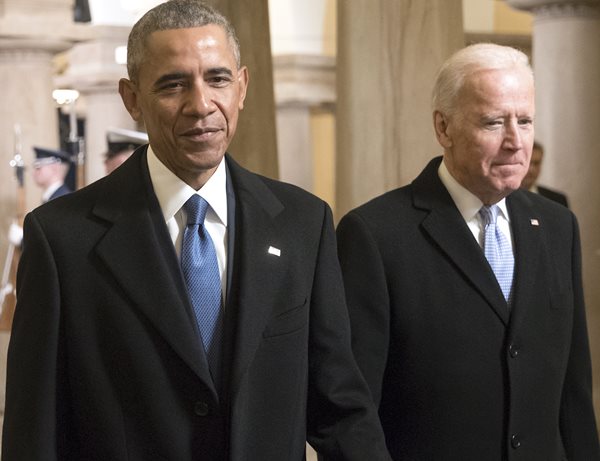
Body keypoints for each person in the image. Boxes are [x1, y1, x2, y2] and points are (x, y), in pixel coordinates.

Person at [2, 1, 390, 460]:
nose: (201, 105)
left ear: (242, 86)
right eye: (173, 84)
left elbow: (339, 406)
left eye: (218, 79)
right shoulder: (62, 238)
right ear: (132, 99)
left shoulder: (303, 223)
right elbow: (35, 430)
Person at [336, 43, 600, 460]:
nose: (515, 142)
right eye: (494, 122)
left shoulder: (557, 225)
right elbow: (349, 406)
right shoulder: (375, 234)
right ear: (444, 128)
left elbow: (574, 393)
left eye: (526, 121)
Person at [7, 147, 72, 247]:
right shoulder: (53, 197)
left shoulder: (61, 200)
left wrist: (23, 241)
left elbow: (53, 243)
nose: (33, 173)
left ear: (54, 168)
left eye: (38, 167)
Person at [521, 140, 569, 207]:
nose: (531, 170)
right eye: (528, 163)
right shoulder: (503, 198)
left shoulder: (557, 200)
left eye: (536, 163)